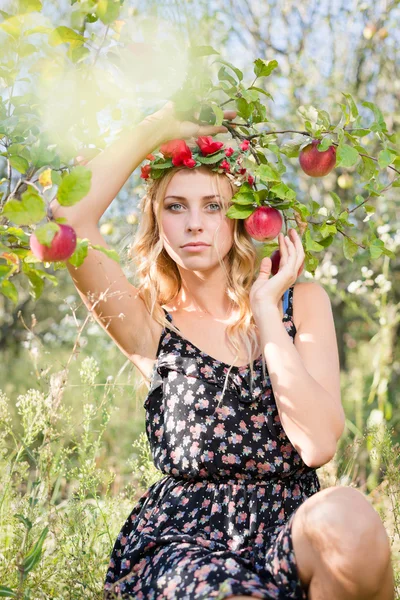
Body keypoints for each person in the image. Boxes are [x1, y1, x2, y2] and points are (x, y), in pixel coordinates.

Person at [50, 103, 395, 600]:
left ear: (241, 216)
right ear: (156, 219)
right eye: (176, 206)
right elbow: (69, 218)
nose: (194, 224)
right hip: (184, 543)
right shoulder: (151, 322)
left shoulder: (302, 304)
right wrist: (161, 128)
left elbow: (318, 445)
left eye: (213, 206)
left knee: (351, 520)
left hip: (288, 530)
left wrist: (266, 309)